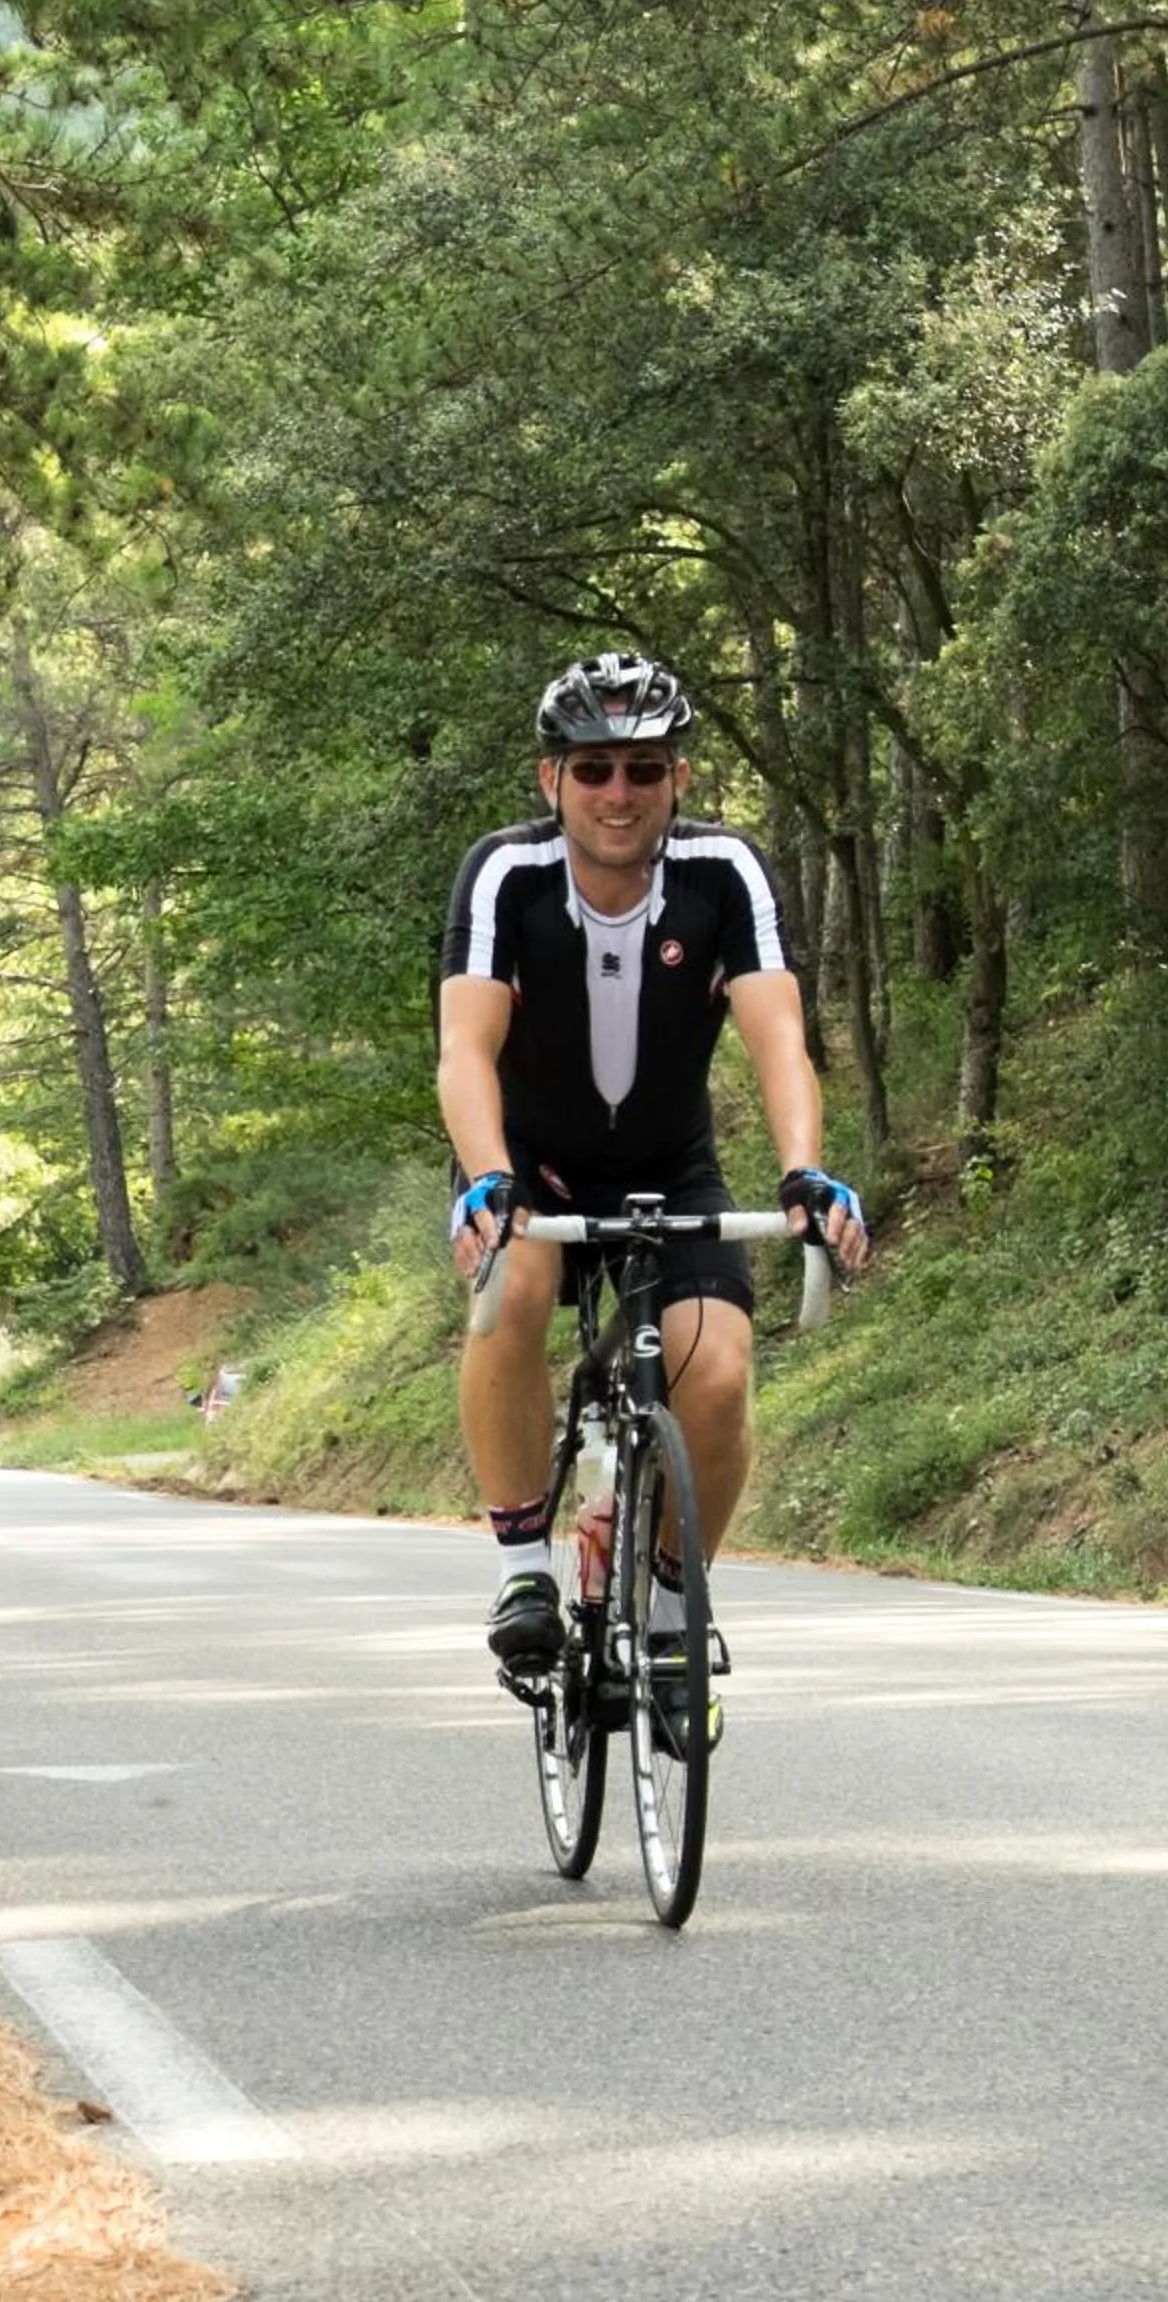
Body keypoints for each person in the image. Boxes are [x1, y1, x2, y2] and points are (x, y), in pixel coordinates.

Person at [437, 651, 871, 1676]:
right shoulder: (508, 873)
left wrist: (804, 1172)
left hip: (671, 1168)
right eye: (593, 769)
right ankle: (522, 1572)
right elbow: (465, 1049)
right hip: (529, 1165)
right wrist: (488, 1180)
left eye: (643, 769)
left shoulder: (727, 873)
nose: (618, 794)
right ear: (552, 782)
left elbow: (778, 1038)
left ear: (679, 777)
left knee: (715, 1372)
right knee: (515, 1285)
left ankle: (677, 1603)